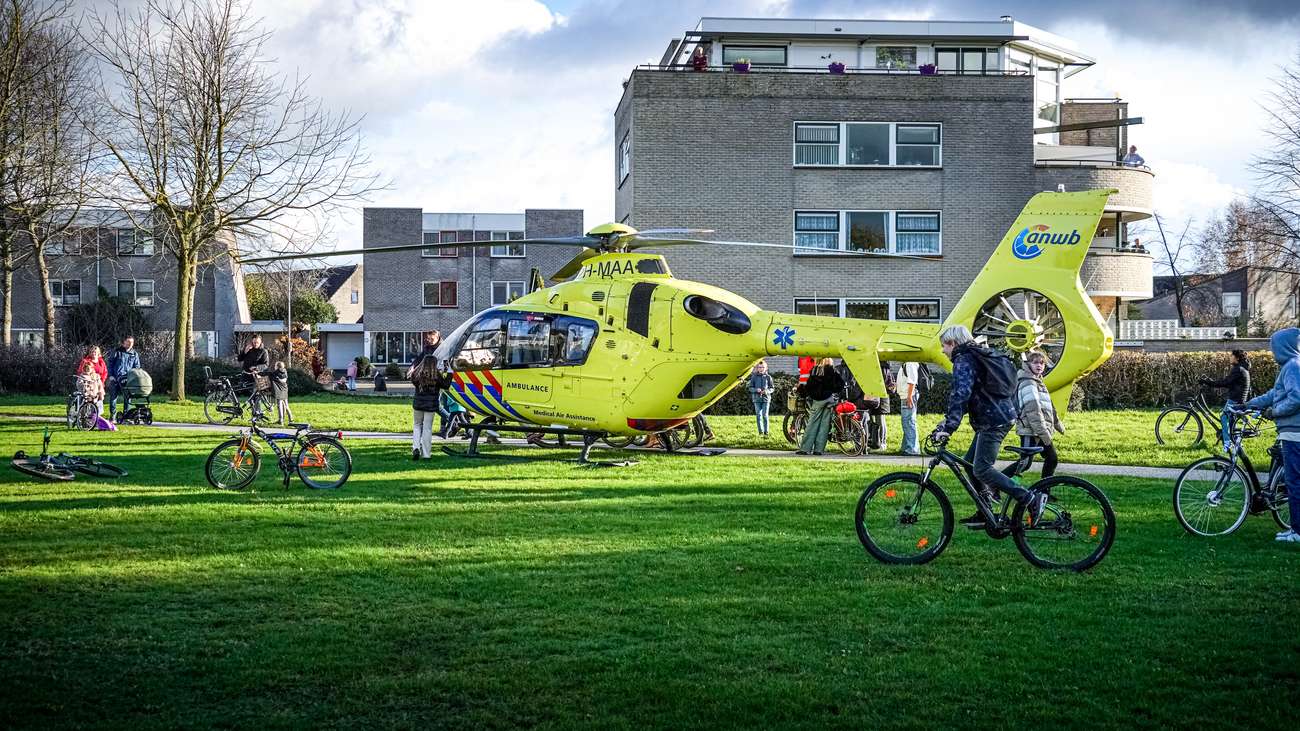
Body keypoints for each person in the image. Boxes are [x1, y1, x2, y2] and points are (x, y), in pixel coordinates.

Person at [931, 325, 1046, 527]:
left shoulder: (964, 359)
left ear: (953, 343)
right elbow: (976, 395)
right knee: (970, 463)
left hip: (994, 421)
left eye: (944, 346)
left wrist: (948, 428)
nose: (943, 351)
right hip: (995, 417)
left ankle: (1030, 498)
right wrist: (947, 421)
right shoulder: (977, 356)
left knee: (982, 469)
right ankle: (985, 510)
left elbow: (961, 394)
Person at [1240, 328, 1300, 542]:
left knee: (1294, 482)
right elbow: (1274, 394)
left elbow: (1296, 399)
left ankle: (1297, 532)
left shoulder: (1293, 366)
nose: (1272, 352)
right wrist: (1249, 404)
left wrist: (1274, 412)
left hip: (1295, 433)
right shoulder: (1288, 368)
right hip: (1289, 432)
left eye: (1274, 348)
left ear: (1283, 347)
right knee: (1291, 479)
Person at [1012, 351, 1065, 478]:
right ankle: (996, 485)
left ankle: (1044, 492)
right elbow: (1033, 412)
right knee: (1024, 463)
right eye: (1035, 362)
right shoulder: (1028, 383)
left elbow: (1049, 407)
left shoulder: (1038, 381)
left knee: (1052, 459)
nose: (1039, 366)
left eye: (1042, 363)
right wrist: (1044, 433)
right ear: (1027, 365)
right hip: (1030, 430)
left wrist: (1057, 424)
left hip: (1040, 430)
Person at [1200, 349, 1251, 448]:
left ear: (1237, 358)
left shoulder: (1238, 369)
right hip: (1239, 399)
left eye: (1231, 356)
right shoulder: (1242, 368)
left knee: (1224, 417)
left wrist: (1207, 382)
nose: (1230, 358)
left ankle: (1227, 443)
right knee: (1231, 421)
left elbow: (1225, 382)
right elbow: (1230, 383)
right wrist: (1211, 382)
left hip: (1235, 399)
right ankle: (1236, 442)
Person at [797, 357, 844, 455]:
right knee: (825, 425)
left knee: (812, 424)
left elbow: (808, 386)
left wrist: (802, 392)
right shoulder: (833, 371)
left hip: (818, 400)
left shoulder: (815, 371)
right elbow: (840, 385)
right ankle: (819, 450)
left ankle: (805, 448)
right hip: (829, 399)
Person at [409, 357, 445, 460]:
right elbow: (446, 385)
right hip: (431, 405)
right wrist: (450, 372)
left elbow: (413, 379)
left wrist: (413, 370)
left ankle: (416, 447)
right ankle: (426, 454)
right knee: (427, 428)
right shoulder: (436, 376)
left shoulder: (417, 375)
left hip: (418, 404)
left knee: (417, 426)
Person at [104, 335, 140, 417]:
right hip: (115, 378)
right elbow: (110, 364)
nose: (130, 344)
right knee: (113, 397)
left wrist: (134, 377)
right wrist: (111, 375)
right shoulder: (117, 351)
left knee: (127, 397)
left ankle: (126, 415)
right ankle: (112, 415)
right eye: (128, 342)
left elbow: (137, 367)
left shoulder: (134, 354)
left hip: (127, 379)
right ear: (124, 342)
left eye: (132, 342)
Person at [896, 360, 921, 456]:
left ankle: (912, 449)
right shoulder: (906, 364)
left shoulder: (910, 363)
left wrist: (909, 397)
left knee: (909, 421)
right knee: (906, 422)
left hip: (908, 396)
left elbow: (912, 381)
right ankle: (906, 447)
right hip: (906, 395)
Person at [748, 360, 774, 436]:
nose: (761, 369)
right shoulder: (754, 377)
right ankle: (760, 432)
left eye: (762, 367)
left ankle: (766, 432)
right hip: (756, 399)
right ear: (757, 368)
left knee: (765, 415)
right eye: (759, 367)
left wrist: (766, 391)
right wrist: (756, 390)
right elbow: (750, 388)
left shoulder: (768, 377)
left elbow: (772, 388)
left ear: (766, 368)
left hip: (766, 399)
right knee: (758, 415)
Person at [270, 361, 293, 425]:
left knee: (279, 405)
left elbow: (270, 375)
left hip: (279, 390)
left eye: (275, 366)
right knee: (286, 405)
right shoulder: (285, 371)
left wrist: (259, 373)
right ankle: (291, 418)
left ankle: (281, 420)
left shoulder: (276, 373)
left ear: (277, 367)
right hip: (285, 389)